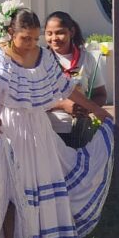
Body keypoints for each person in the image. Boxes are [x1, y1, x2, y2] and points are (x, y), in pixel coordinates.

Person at [0, 6, 114, 238]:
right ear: (11, 33)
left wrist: (97, 111)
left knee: (45, 197)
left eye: (35, 38)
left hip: (39, 129)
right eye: (25, 38)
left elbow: (67, 89)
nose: (31, 43)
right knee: (14, 199)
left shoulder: (44, 57)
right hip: (9, 129)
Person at [44, 10, 108, 148]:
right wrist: (61, 105)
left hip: (80, 131)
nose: (54, 38)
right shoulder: (40, 60)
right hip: (48, 132)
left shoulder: (87, 58)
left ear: (71, 32)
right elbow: (31, 100)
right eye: (49, 33)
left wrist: (86, 107)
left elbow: (101, 95)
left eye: (59, 32)